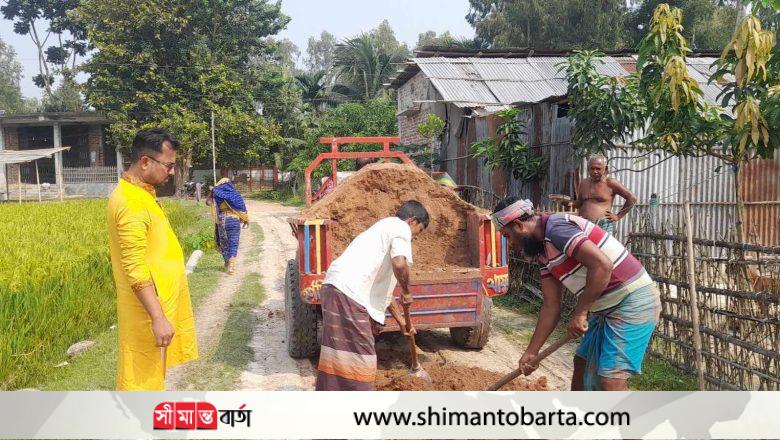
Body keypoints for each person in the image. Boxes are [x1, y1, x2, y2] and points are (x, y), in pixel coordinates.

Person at [492, 196, 660, 391]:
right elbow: (551, 305)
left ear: (519, 225)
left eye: (506, 236)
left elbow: (602, 266)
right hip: (605, 308)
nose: (510, 244)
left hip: (632, 300)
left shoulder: (557, 229)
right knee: (581, 363)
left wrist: (580, 313)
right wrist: (531, 352)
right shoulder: (542, 252)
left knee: (611, 380)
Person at [107, 129, 198, 390]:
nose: (171, 172)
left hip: (156, 305)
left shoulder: (141, 194)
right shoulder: (130, 202)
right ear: (145, 162)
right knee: (142, 380)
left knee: (152, 377)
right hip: (146, 312)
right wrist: (157, 318)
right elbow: (134, 267)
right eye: (168, 165)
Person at [315, 200, 430, 391]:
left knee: (337, 354)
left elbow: (383, 294)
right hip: (350, 295)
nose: (415, 237)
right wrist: (407, 292)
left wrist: (401, 322)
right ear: (412, 221)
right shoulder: (401, 228)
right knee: (363, 358)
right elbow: (400, 263)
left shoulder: (381, 229)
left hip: (333, 288)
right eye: (419, 231)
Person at [575, 154, 636, 235]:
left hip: (602, 225)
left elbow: (632, 198)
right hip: (583, 225)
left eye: (598, 169)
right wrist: (566, 202)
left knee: (602, 248)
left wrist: (618, 216)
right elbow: (579, 203)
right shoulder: (584, 183)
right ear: (588, 169)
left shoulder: (610, 183)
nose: (595, 171)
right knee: (583, 248)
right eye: (592, 168)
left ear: (605, 169)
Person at [208, 171, 249, 274]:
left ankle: (227, 262)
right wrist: (244, 219)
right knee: (234, 242)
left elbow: (208, 202)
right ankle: (232, 265)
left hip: (223, 220)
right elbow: (242, 207)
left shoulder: (217, 193)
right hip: (235, 220)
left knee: (224, 243)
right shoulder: (236, 194)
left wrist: (212, 190)